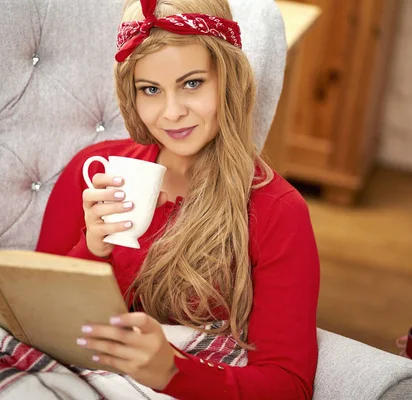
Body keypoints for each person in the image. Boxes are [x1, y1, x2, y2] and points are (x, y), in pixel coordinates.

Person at [36, 0, 320, 398]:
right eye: (150, 89)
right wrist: (93, 249)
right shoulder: (94, 171)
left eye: (192, 83)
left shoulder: (279, 212)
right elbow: (36, 316)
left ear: (228, 79)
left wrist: (172, 372)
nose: (172, 113)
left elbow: (288, 386)